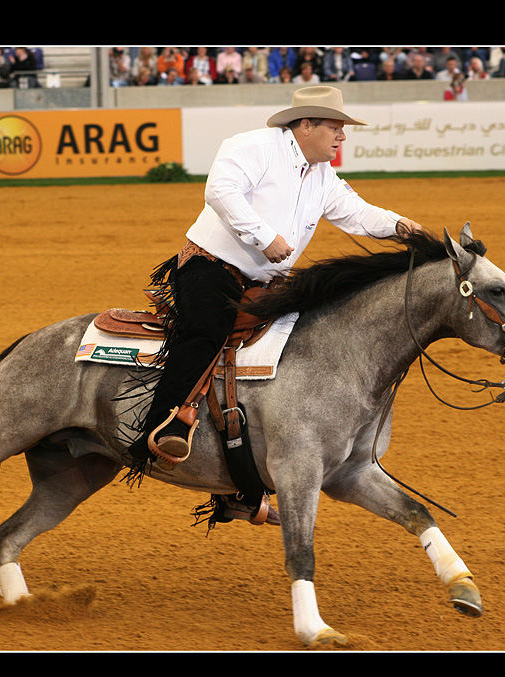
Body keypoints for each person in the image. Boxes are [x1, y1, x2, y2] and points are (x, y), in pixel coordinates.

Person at [127, 85, 426, 523]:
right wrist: (264, 237)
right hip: (212, 269)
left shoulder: (321, 176)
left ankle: (244, 482)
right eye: (335, 127)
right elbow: (220, 192)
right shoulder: (253, 147)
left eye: (343, 129)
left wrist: (401, 227)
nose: (342, 136)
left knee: (305, 350)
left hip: (265, 283)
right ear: (305, 125)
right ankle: (165, 423)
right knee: (208, 330)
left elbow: (356, 212)